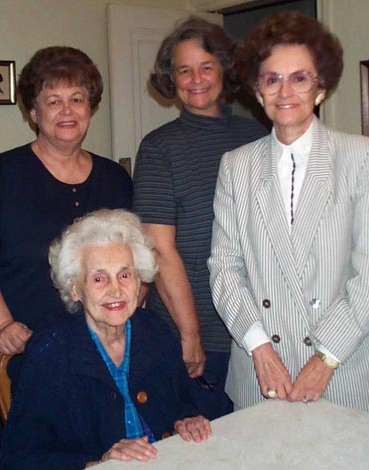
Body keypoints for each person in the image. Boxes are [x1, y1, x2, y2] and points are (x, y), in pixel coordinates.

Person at [208, 10, 369, 413]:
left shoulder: (361, 157)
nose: (284, 91)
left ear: (321, 85)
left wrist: (325, 356)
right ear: (257, 90)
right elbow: (224, 267)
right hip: (262, 373)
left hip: (343, 368)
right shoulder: (235, 165)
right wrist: (258, 346)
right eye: (272, 79)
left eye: (300, 77)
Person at [0, 46, 132, 433]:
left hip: (104, 355)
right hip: (24, 353)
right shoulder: (0, 177)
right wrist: (2, 326)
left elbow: (136, 264)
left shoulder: (116, 180)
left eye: (77, 99)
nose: (67, 111)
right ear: (33, 113)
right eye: (53, 101)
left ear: (90, 108)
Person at [0, 209, 211, 469]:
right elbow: (18, 459)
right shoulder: (49, 355)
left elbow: (182, 401)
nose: (116, 290)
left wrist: (186, 419)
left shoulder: (155, 332)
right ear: (75, 288)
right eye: (99, 278)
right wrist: (97, 463)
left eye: (124, 275)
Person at [133, 16, 267, 420]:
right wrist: (190, 336)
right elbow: (161, 250)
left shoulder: (257, 137)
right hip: (196, 331)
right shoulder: (159, 148)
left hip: (257, 328)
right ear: (170, 79)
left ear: (225, 69)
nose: (195, 79)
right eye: (183, 70)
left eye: (206, 66)